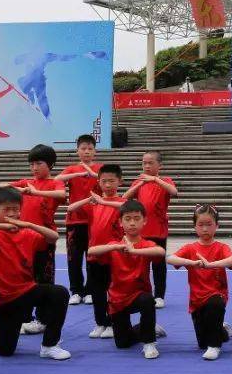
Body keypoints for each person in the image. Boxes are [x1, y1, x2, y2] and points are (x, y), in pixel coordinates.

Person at [0, 187, 71, 361]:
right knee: (5, 351)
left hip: (27, 291)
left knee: (59, 293)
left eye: (16, 209)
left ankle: (49, 345)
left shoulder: (28, 233)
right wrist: (0, 225)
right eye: (7, 209)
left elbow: (53, 237)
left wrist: (29, 224)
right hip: (2, 299)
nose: (12, 214)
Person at [0, 144, 65, 333]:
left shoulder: (53, 183)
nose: (34, 168)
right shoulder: (26, 182)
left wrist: (36, 192)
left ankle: (43, 319)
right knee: (24, 278)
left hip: (44, 239)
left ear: (50, 165)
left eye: (39, 163)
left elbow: (62, 194)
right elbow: (1, 186)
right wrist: (18, 188)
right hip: (23, 241)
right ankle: (24, 317)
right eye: (32, 164)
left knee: (44, 280)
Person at [87, 200, 167, 359]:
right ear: (120, 222)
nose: (132, 223)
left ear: (144, 221)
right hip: (118, 300)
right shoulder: (114, 245)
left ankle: (149, 343)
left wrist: (135, 251)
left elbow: (160, 252)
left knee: (147, 300)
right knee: (123, 343)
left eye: (137, 219)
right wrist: (115, 247)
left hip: (138, 295)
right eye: (128, 219)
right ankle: (149, 328)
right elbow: (91, 250)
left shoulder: (147, 244)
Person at [168, 204, 232, 360]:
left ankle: (215, 347)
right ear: (195, 226)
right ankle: (223, 330)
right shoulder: (190, 248)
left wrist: (211, 265)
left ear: (216, 226)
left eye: (209, 224)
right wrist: (191, 263)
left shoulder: (221, 247)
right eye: (201, 225)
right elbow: (170, 259)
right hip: (197, 299)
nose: (205, 229)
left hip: (216, 294)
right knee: (202, 343)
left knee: (215, 305)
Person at [67, 163, 125, 339]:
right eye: (104, 181)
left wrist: (102, 201)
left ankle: (113, 322)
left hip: (115, 255)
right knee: (97, 292)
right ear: (98, 182)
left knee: (114, 292)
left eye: (111, 181)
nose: (107, 185)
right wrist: (89, 199)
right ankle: (100, 322)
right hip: (95, 254)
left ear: (119, 182)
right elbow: (71, 209)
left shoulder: (123, 203)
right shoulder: (94, 204)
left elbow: (129, 209)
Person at [123, 150, 178, 308]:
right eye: (144, 163)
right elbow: (124, 198)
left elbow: (174, 192)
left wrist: (154, 179)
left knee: (159, 265)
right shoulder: (139, 182)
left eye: (150, 163)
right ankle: (141, 293)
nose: (146, 166)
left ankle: (159, 295)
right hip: (141, 232)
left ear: (159, 165)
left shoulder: (165, 181)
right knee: (140, 265)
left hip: (159, 230)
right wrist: (141, 183)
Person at [53, 135, 103, 305]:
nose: (87, 151)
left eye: (90, 148)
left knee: (92, 258)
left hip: (95, 221)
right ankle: (76, 290)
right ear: (77, 151)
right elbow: (55, 180)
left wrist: (91, 173)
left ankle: (90, 290)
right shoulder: (72, 169)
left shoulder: (100, 168)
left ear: (95, 151)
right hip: (74, 221)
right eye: (83, 148)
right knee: (73, 258)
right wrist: (80, 172)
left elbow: (108, 182)